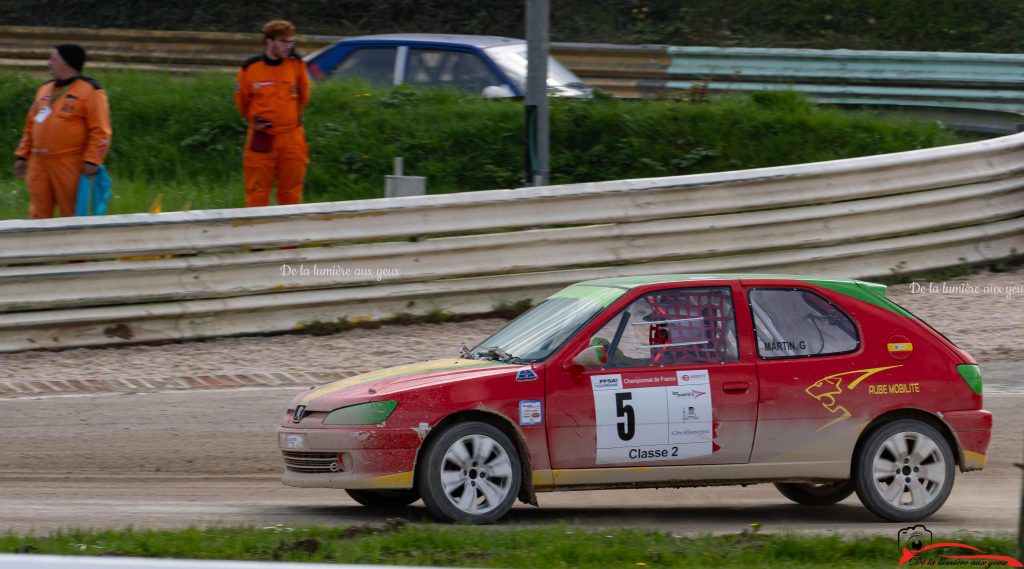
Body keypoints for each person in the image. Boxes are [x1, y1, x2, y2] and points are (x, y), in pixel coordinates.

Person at [13, 44, 112, 219]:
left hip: (69, 163)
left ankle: (75, 245)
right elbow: (30, 125)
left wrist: (93, 160)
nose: (48, 63)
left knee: (73, 215)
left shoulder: (91, 90)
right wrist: (23, 156)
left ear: (67, 62)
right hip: (38, 164)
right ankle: (39, 246)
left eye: (53, 59)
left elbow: (101, 130)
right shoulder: (44, 89)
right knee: (37, 216)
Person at [234, 19, 311, 207]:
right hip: (262, 137)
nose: (289, 47)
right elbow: (242, 104)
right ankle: (257, 234)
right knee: (257, 193)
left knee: (291, 193)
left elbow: (304, 95)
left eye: (292, 42)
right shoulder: (250, 68)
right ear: (269, 41)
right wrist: (256, 119)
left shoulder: (296, 64)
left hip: (292, 136)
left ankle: (289, 234)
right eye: (284, 42)